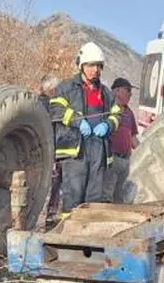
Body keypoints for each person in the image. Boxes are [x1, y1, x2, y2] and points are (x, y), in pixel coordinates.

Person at [48, 42, 121, 214]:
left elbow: (117, 114)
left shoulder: (106, 93)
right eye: (91, 65)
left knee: (94, 199)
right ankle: (67, 233)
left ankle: (87, 234)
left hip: (99, 151)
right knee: (73, 196)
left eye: (98, 66)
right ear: (81, 65)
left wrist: (108, 124)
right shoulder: (66, 88)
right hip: (76, 151)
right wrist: (77, 121)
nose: (95, 70)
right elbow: (56, 109)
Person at [107, 77, 139, 201]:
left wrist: (146, 151)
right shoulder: (107, 108)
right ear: (117, 90)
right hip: (111, 160)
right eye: (128, 91)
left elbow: (133, 138)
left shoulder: (129, 113)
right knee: (107, 194)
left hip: (125, 162)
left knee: (120, 196)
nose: (130, 94)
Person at [38, 74, 62, 224]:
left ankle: (50, 215)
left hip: (52, 151)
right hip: (46, 152)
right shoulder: (43, 104)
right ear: (50, 89)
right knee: (47, 185)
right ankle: (43, 217)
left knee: (54, 184)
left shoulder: (49, 104)